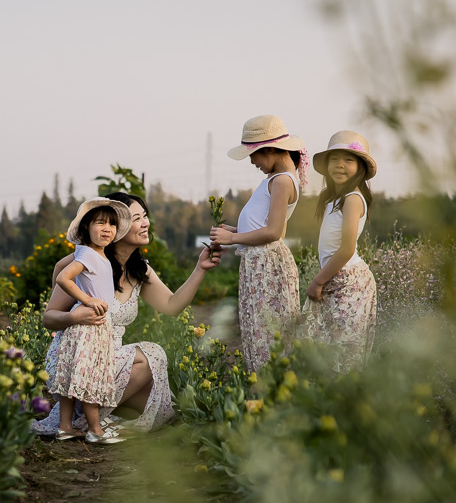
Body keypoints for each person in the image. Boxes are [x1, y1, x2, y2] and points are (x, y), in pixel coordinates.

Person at [32, 191, 221, 437]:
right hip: (81, 361)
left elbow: (172, 306)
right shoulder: (89, 265)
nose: (145, 224)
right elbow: (49, 318)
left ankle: (94, 416)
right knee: (151, 355)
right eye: (136, 218)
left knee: (160, 403)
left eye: (145, 216)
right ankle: (84, 422)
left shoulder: (139, 269)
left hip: (110, 359)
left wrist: (200, 268)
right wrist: (74, 317)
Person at [209, 114, 305, 372]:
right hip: (260, 261)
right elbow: (262, 226)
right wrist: (231, 231)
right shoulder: (278, 179)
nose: (252, 161)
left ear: (271, 149)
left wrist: (232, 238)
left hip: (266, 263)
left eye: (253, 154)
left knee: (265, 329)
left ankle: (267, 390)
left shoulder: (283, 180)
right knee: (258, 327)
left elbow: (273, 232)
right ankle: (264, 391)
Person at [48, 198, 132, 444]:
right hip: (89, 328)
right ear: (86, 228)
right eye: (100, 223)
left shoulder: (97, 255)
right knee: (90, 378)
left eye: (112, 225)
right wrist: (87, 300)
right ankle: (95, 430)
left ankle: (65, 426)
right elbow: (64, 278)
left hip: (88, 328)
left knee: (73, 376)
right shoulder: (89, 254)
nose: (107, 228)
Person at [302, 130, 378, 372]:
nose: (340, 166)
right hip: (336, 277)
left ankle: (344, 405)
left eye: (349, 160)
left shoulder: (353, 199)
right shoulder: (335, 199)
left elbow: (346, 249)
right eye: (334, 159)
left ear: (361, 168)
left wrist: (317, 280)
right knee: (327, 347)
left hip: (349, 281)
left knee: (344, 353)